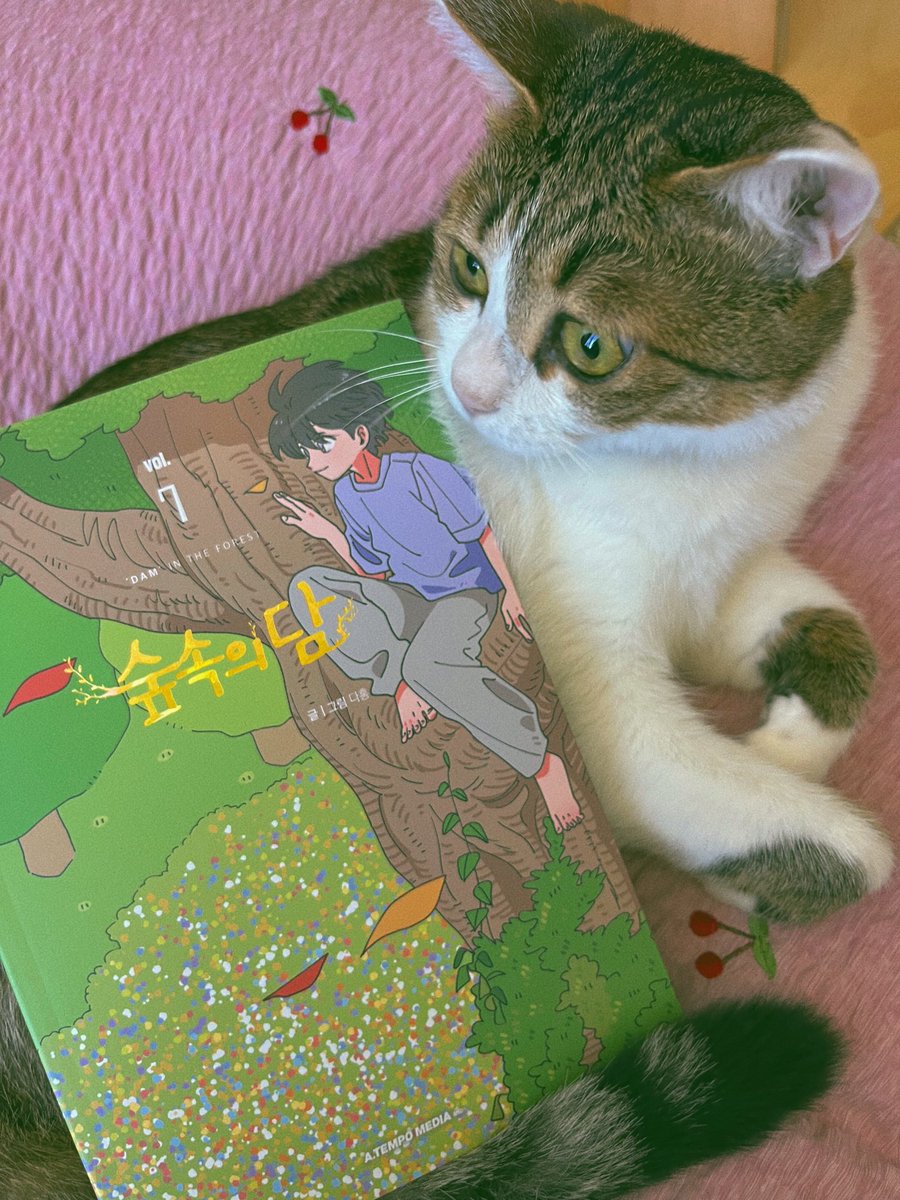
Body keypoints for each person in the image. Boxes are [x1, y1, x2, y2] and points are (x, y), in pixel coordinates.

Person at [268, 360, 582, 833]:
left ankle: (541, 765)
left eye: (321, 446)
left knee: (428, 666)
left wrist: (512, 594)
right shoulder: (347, 496)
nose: (313, 462)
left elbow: (485, 533)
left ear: (359, 433)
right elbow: (371, 571)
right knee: (308, 587)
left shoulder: (421, 473)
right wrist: (328, 533)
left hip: (466, 592)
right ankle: (396, 679)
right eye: (306, 453)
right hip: (408, 597)